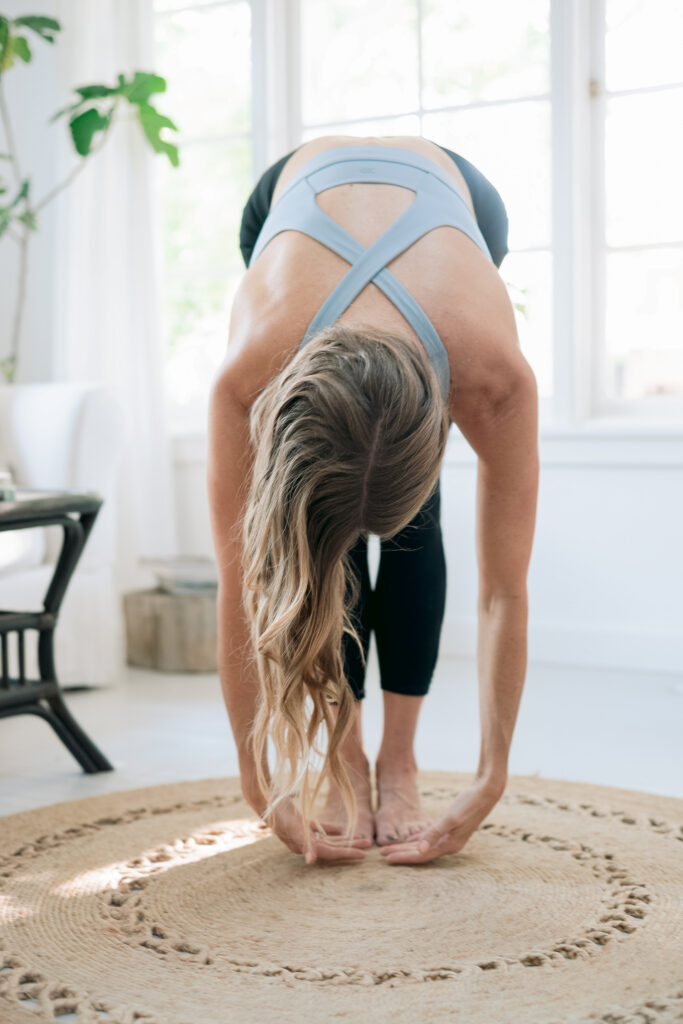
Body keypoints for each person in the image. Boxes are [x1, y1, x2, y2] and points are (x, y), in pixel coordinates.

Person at [207, 135, 539, 867]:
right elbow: (240, 581)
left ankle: (399, 761)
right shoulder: (250, 371)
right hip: (287, 197)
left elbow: (503, 592)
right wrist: (256, 780)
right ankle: (347, 757)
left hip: (461, 199)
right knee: (328, 526)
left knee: (408, 514)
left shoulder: (490, 376)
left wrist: (490, 777)